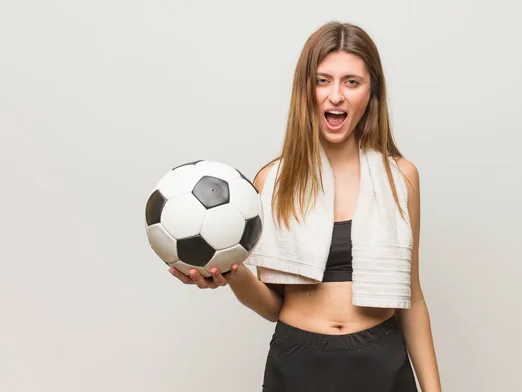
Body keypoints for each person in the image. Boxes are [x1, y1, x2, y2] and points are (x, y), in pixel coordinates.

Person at [169, 21, 442, 392]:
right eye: (322, 80)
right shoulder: (271, 181)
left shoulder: (401, 177)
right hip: (298, 363)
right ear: (306, 90)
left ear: (371, 91)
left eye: (351, 82)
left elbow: (412, 298)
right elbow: (272, 307)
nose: (336, 96)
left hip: (382, 363)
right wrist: (233, 274)